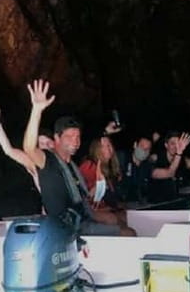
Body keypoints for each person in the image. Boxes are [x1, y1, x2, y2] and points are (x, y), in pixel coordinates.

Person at [22, 79, 134, 237]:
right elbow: (28, 148)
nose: (75, 141)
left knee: (120, 220)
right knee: (129, 233)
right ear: (57, 138)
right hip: (68, 228)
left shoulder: (71, 165)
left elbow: (82, 197)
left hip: (82, 217)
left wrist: (96, 191)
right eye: (69, 136)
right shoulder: (49, 161)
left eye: (77, 137)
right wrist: (37, 110)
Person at [78, 135, 132, 230]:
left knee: (127, 216)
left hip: (107, 207)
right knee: (118, 223)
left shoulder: (112, 167)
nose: (109, 148)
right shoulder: (89, 165)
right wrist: (94, 190)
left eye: (110, 145)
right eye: (105, 146)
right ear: (97, 149)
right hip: (91, 210)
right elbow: (84, 194)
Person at [149, 131, 190, 202]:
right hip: (155, 205)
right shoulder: (155, 158)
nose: (176, 147)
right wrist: (179, 152)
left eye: (178, 143)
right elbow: (170, 173)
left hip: (174, 201)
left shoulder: (183, 160)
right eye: (172, 143)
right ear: (166, 145)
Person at [118, 135, 153, 203]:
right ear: (135, 145)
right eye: (142, 146)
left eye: (147, 149)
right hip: (121, 205)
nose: (144, 150)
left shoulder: (148, 166)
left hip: (139, 206)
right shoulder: (122, 158)